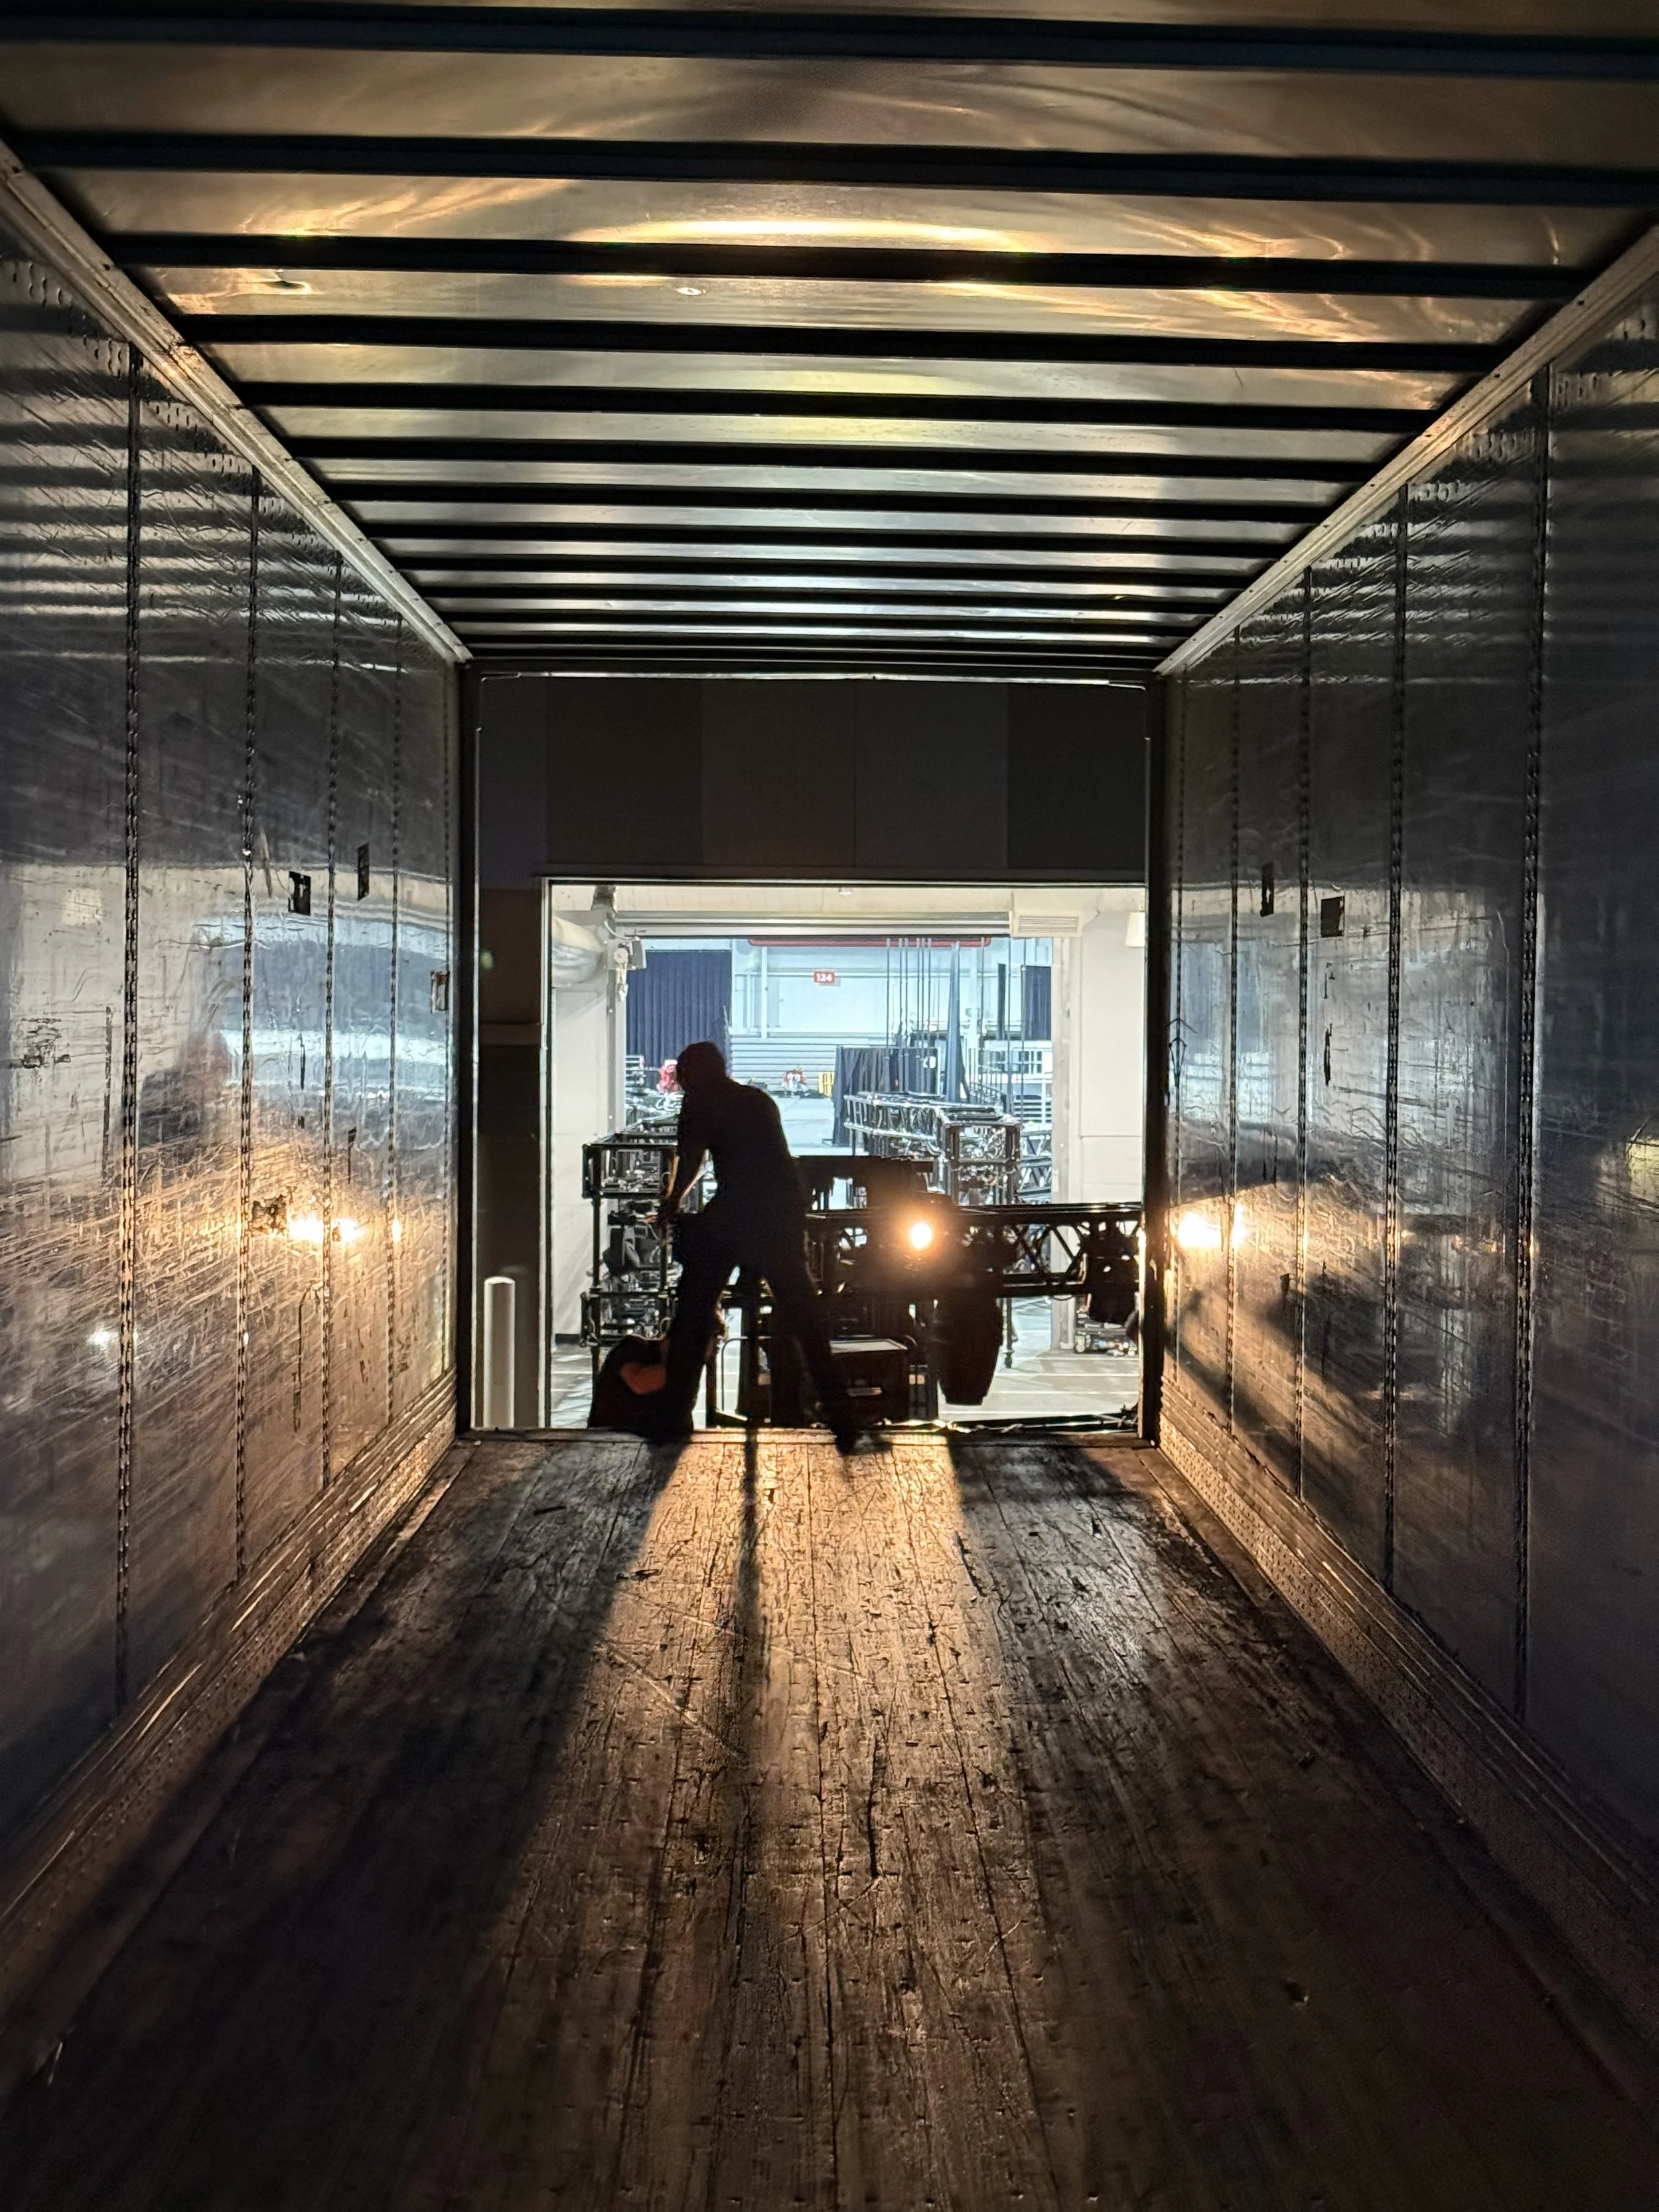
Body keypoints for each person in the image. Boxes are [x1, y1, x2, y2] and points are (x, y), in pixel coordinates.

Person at [648, 1041, 863, 1449]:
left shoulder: (699, 1104)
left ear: (693, 1076)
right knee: (804, 1318)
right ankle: (844, 1418)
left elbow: (691, 1160)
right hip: (781, 1212)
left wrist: (671, 1204)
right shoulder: (758, 1100)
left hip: (737, 1212)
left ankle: (671, 1419)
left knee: (693, 1312)